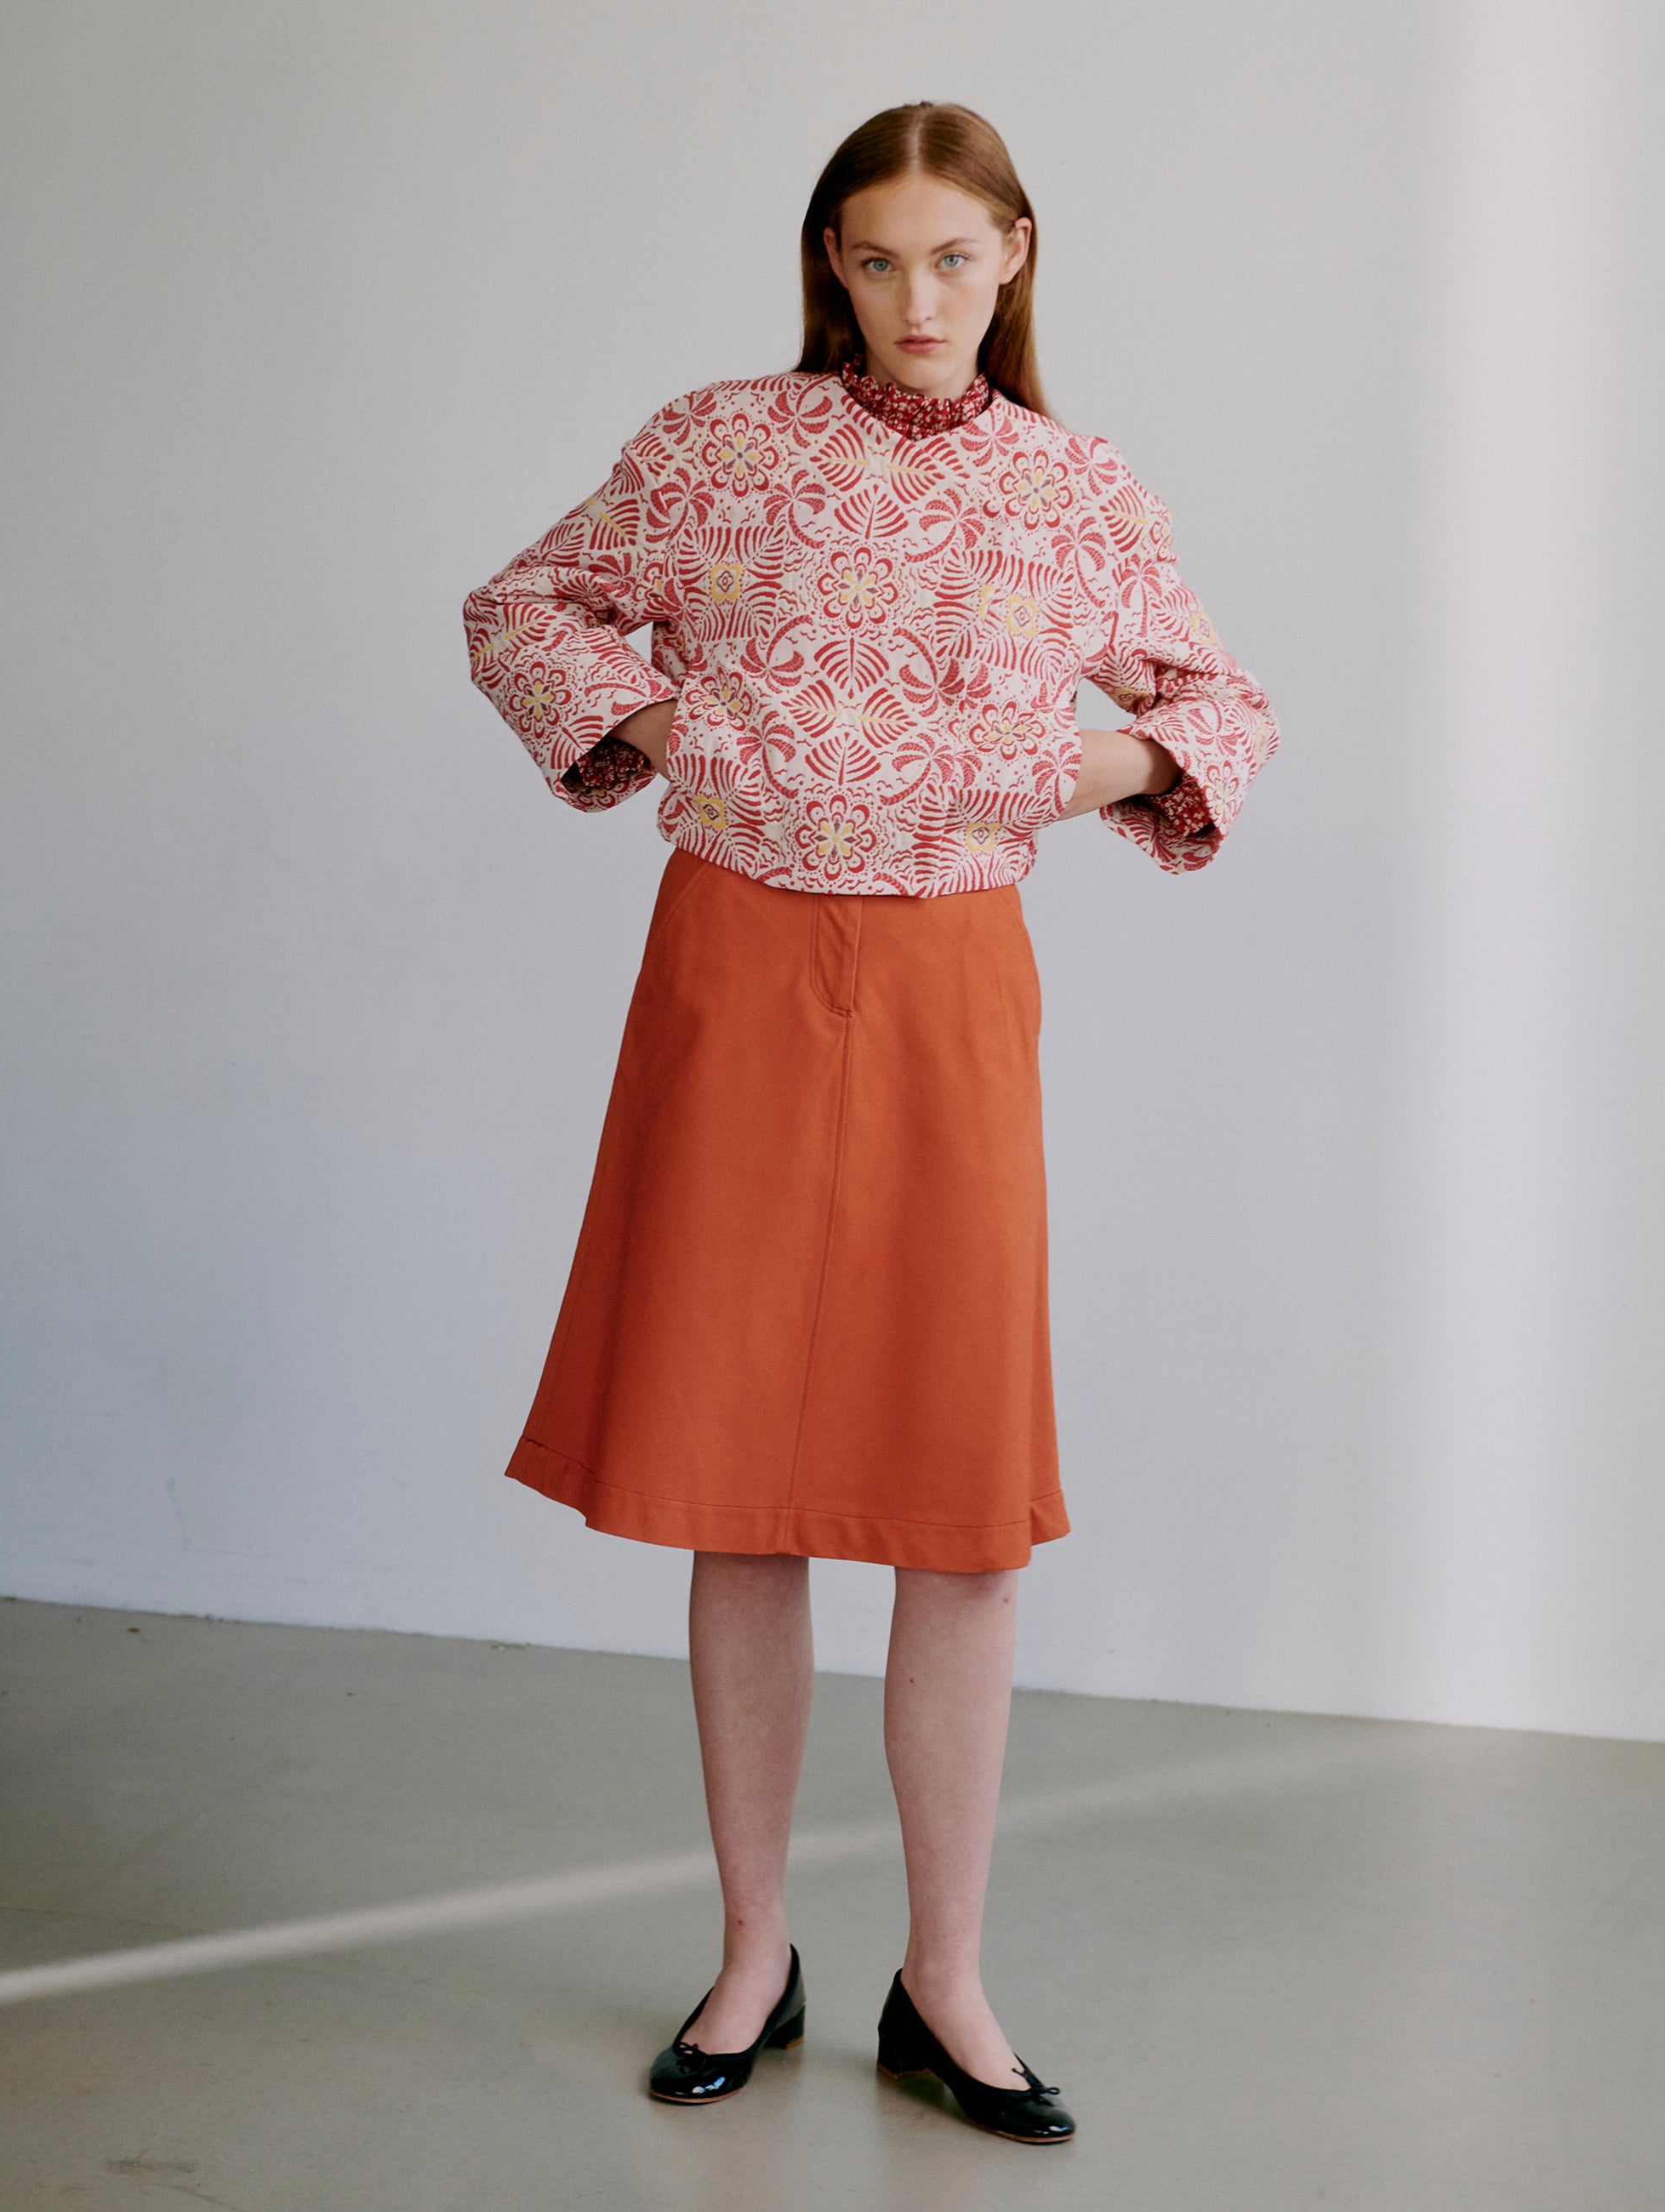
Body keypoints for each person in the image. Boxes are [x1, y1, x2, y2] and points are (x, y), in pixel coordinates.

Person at [462, 100, 1280, 2145]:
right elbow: (523, 609)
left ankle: (947, 1974)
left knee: (959, 1503)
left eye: (954, 255)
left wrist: (1069, 770)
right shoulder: (716, 443)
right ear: (830, 260)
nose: (916, 295)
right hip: (733, 964)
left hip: (943, 984)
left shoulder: (1071, 486)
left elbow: (1220, 703)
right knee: (739, 1484)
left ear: (1014, 258)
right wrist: (674, 720)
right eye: (875, 254)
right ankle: (755, 1951)